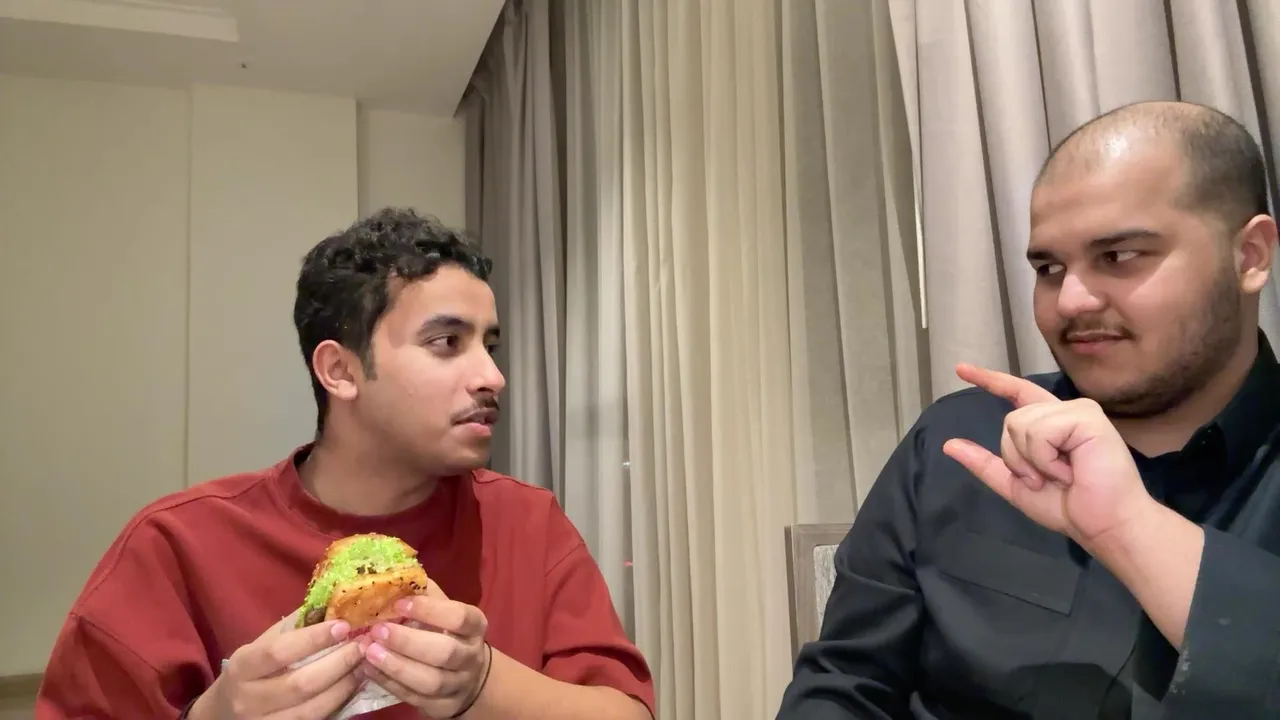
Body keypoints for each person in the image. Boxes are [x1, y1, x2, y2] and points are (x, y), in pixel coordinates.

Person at [37, 208, 655, 720]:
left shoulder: (527, 522)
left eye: (490, 345)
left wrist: (481, 685)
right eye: (447, 343)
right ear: (340, 371)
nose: (493, 376)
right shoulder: (176, 545)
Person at [776, 100, 1280, 719]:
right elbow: (844, 682)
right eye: (1049, 267)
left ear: (1249, 255)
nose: (1070, 301)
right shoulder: (961, 443)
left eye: (1119, 256)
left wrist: (1132, 529)